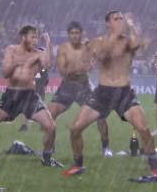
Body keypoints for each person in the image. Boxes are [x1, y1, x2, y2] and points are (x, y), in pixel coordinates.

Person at [63, 11, 157, 176]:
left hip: (124, 93)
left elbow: (139, 44)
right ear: (108, 23)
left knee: (144, 129)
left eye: (121, 18)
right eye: (116, 19)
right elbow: (102, 55)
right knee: (75, 129)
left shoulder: (127, 42)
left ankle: (155, 169)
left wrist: (131, 24)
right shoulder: (98, 41)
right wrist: (114, 35)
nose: (120, 21)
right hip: (103, 93)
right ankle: (78, 165)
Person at [0, 25, 62, 168]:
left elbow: (48, 65)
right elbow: (5, 73)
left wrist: (49, 44)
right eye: (32, 36)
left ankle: (47, 159)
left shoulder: (38, 53)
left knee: (51, 127)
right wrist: (17, 62)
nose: (35, 40)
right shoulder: (11, 50)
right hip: (11, 95)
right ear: (23, 37)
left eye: (37, 37)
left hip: (29, 96)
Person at [48, 21, 112, 157]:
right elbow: (62, 71)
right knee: (49, 115)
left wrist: (92, 53)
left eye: (77, 33)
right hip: (67, 87)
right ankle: (50, 147)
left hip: (84, 87)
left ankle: (106, 147)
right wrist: (79, 68)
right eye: (72, 33)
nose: (75, 36)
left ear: (81, 34)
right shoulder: (63, 49)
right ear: (68, 35)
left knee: (100, 115)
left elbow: (94, 64)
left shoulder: (87, 47)